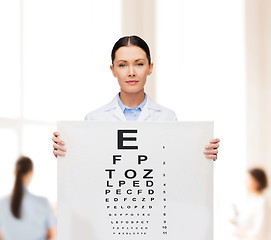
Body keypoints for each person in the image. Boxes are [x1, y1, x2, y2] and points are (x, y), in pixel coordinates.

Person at [52, 35, 220, 158]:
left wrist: (203, 153)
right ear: (113, 70)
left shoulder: (168, 117)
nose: (131, 72)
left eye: (139, 64)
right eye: (122, 65)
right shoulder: (94, 119)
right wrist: (66, 151)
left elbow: (176, 162)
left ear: (150, 68)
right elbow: (86, 165)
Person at [0, 156, 56, 240]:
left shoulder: (2, 203)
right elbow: (52, 235)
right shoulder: (42, 202)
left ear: (14, 172)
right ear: (31, 173)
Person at [230, 168, 270, 240]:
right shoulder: (251, 199)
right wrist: (236, 220)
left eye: (248, 180)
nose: (245, 182)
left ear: (257, 182)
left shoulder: (262, 202)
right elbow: (247, 220)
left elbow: (260, 231)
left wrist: (242, 234)